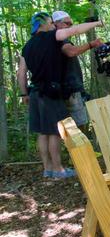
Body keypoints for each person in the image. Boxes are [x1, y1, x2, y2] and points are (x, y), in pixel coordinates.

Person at [17, 12, 103, 178]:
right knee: (55, 131)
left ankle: (47, 168)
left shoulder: (27, 46)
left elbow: (21, 73)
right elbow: (76, 30)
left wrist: (23, 94)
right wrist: (97, 23)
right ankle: (57, 169)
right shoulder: (52, 37)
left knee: (43, 132)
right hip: (50, 92)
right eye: (50, 23)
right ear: (43, 25)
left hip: (35, 92)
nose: (52, 25)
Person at [52, 10, 103, 130]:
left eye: (71, 24)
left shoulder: (57, 38)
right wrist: (91, 44)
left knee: (71, 127)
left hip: (67, 89)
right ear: (56, 24)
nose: (70, 26)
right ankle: (81, 149)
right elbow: (71, 51)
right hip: (69, 89)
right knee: (79, 126)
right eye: (67, 23)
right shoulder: (59, 38)